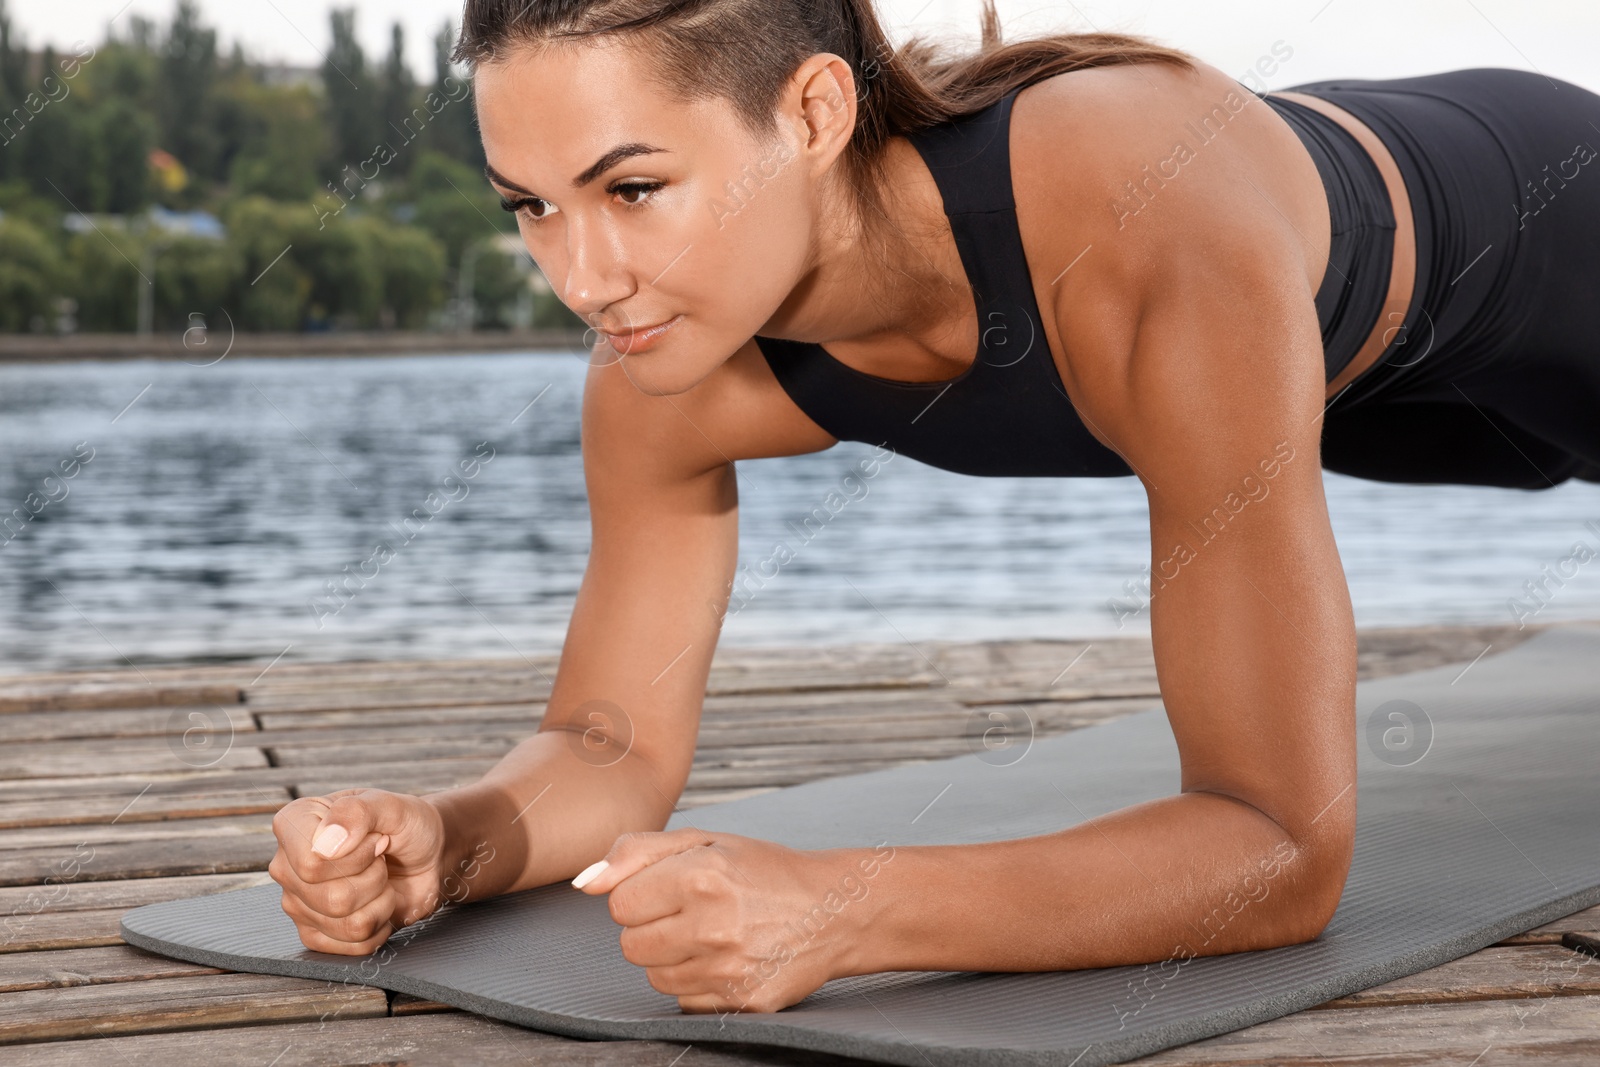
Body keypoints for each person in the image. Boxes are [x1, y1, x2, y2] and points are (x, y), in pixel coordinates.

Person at [267, 0, 1600, 1015]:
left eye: (632, 190)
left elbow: (1278, 848)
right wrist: (451, 842)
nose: (583, 276)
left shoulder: (1135, 216)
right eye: (531, 209)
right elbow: (608, 750)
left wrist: (846, 911)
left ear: (812, 112)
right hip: (1375, 393)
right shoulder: (664, 377)